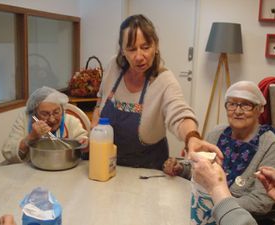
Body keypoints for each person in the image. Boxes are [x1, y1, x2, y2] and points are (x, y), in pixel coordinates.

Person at [91, 14, 221, 169]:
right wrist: (96, 118)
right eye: (131, 49)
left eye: (145, 47)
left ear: (156, 45)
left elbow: (179, 114)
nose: (139, 56)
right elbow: (101, 96)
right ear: (122, 50)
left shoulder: (164, 80)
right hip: (108, 164)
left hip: (148, 168)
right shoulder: (113, 66)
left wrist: (192, 137)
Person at [164, 81, 275, 215]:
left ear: (259, 109)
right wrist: (180, 168)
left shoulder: (270, 143)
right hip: (205, 208)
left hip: (236, 217)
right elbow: (200, 171)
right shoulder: (217, 133)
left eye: (246, 105)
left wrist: (218, 201)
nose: (237, 111)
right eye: (232, 104)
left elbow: (261, 201)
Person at [1, 86, 88, 163]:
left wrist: (85, 143)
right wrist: (31, 137)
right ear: (34, 112)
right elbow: (8, 152)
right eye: (45, 114)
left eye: (56, 112)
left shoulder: (70, 121)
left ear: (62, 109)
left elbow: (83, 141)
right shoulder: (25, 119)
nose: (52, 119)